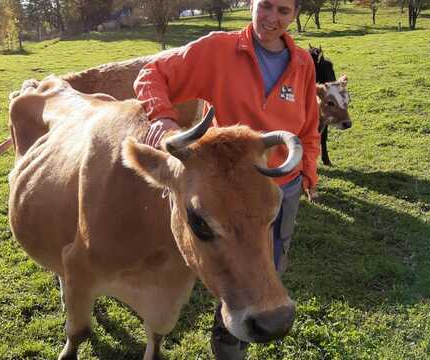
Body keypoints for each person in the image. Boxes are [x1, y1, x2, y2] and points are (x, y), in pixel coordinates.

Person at [134, 0, 320, 358]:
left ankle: (257, 305)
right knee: (234, 263)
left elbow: (309, 125)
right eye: (265, 6)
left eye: (283, 10)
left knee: (272, 256)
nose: (272, 19)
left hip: (281, 188)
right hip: (229, 194)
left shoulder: (302, 63)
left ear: (294, 14)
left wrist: (308, 168)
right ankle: (230, 339)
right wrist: (162, 121)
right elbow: (152, 73)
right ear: (251, 4)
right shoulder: (219, 50)